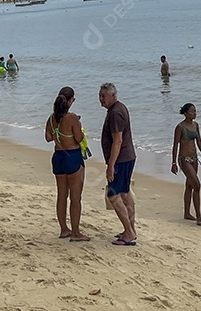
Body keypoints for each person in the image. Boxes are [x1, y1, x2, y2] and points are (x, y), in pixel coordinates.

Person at [44, 86, 89, 241]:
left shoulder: (51, 118)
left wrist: (59, 134)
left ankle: (64, 229)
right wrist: (79, 127)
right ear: (70, 101)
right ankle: (76, 233)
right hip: (72, 156)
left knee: (61, 195)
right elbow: (79, 138)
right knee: (75, 197)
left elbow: (48, 138)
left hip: (58, 157)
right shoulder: (72, 118)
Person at [99, 82, 137, 245]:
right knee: (124, 193)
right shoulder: (118, 108)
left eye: (104, 96)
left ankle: (129, 233)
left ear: (113, 95)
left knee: (113, 195)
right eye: (100, 96)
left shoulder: (116, 112)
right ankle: (131, 229)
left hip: (121, 159)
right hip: (126, 157)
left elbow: (118, 141)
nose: (101, 99)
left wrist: (111, 165)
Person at [171, 103, 201, 225]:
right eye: (192, 111)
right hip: (184, 159)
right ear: (186, 113)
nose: (194, 113)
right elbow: (175, 145)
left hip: (194, 159)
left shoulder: (196, 125)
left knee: (189, 186)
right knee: (197, 185)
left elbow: (199, 142)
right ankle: (198, 216)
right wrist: (173, 162)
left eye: (195, 111)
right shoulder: (180, 127)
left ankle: (187, 213)